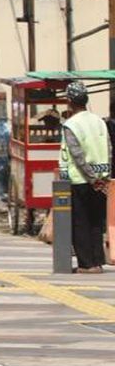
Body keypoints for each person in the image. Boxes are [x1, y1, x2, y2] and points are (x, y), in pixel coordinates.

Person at [58, 81, 110, 274]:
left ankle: (86, 264)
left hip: (80, 180)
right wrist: (102, 178)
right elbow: (109, 149)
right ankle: (97, 262)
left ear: (70, 101)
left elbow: (77, 155)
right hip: (101, 180)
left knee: (80, 223)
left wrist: (90, 177)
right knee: (96, 222)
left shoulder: (71, 125)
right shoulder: (99, 121)